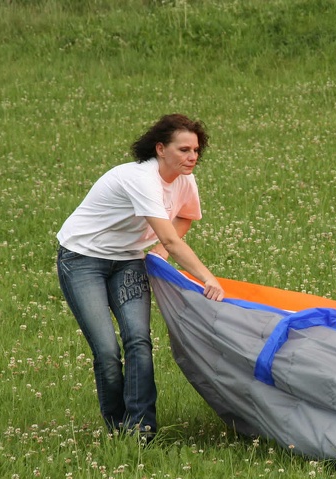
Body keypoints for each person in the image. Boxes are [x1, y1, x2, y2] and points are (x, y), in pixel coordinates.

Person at [56, 114, 224, 441]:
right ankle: (118, 428)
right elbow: (173, 240)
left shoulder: (185, 179)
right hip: (82, 258)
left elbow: (186, 217)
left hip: (128, 260)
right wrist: (207, 277)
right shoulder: (140, 179)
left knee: (139, 341)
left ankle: (142, 431)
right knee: (106, 350)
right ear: (161, 149)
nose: (192, 157)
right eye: (184, 149)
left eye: (196, 150)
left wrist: (158, 254)